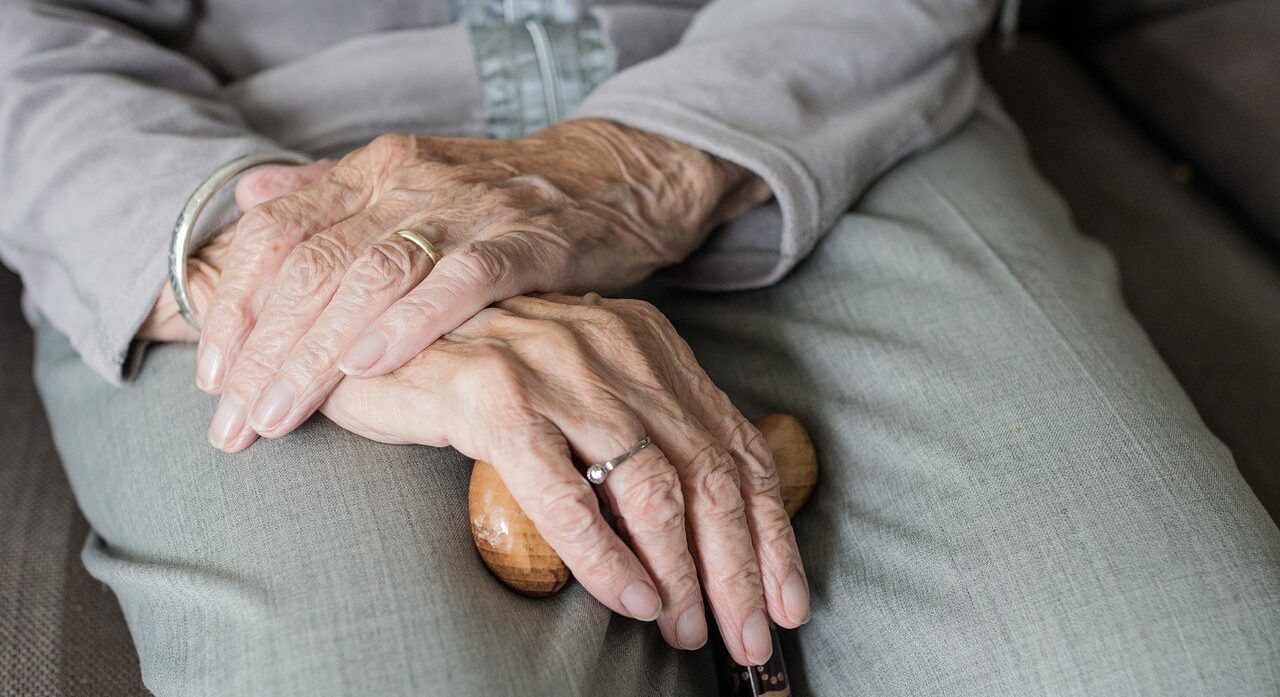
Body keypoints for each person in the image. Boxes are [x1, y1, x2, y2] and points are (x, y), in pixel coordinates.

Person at [3, 0, 1278, 695]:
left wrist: (631, 164)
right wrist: (274, 261)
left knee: (1185, 661)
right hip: (247, 171)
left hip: (813, 100)